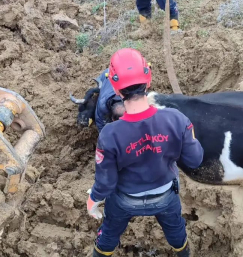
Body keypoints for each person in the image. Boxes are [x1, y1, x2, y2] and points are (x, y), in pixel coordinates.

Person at [86, 48, 204, 257]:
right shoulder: (176, 119)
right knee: (176, 228)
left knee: (110, 232)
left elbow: (106, 182)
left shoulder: (109, 134)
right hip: (165, 195)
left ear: (115, 88)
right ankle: (183, 253)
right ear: (148, 80)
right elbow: (195, 161)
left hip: (125, 200)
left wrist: (93, 201)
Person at [94, 69, 125, 133]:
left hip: (119, 72)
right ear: (112, 119)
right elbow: (101, 124)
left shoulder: (130, 96)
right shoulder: (102, 105)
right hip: (107, 74)